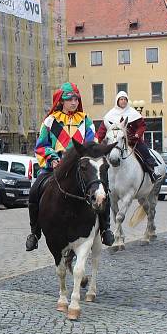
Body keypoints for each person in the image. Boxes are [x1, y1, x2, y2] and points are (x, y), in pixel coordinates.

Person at [25, 83, 114, 251]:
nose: (73, 102)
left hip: (82, 166)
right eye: (69, 99)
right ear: (61, 101)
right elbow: (41, 145)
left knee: (102, 190)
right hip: (56, 166)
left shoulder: (85, 119)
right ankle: (34, 232)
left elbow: (92, 143)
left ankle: (105, 228)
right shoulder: (50, 121)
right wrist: (51, 157)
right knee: (34, 190)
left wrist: (88, 157)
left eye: (76, 99)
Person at [95, 91, 158, 181]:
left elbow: (142, 126)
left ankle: (152, 173)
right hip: (114, 142)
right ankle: (100, 178)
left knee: (144, 151)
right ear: (117, 101)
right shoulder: (110, 115)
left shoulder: (133, 113)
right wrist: (98, 141)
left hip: (132, 141)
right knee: (101, 158)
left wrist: (137, 134)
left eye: (125, 99)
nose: (123, 101)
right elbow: (102, 129)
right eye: (121, 99)